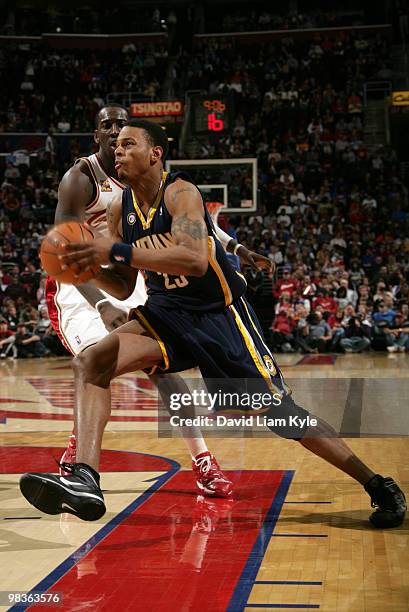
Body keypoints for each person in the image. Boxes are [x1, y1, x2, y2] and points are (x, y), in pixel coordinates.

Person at [20, 119, 406, 529]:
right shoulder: (120, 209)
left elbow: (194, 259)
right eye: (115, 147)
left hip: (220, 318)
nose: (117, 150)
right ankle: (85, 480)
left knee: (282, 416)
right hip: (167, 313)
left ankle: (376, 482)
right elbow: (123, 284)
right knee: (92, 362)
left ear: (155, 153)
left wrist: (114, 248)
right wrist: (84, 264)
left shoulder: (181, 193)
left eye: (128, 144)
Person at [45, 104, 267, 497]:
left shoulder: (143, 172)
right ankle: (80, 460)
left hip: (135, 274)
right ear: (95, 135)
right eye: (106, 126)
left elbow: (194, 219)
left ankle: (202, 460)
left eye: (121, 125)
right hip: (82, 286)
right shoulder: (79, 179)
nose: (115, 131)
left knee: (162, 369)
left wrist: (236, 246)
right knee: (96, 361)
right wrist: (101, 304)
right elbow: (64, 251)